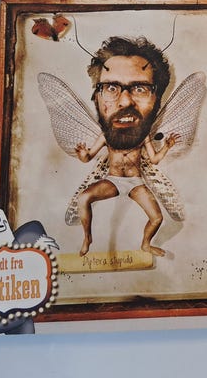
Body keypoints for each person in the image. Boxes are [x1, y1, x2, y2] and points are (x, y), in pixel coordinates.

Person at [75, 36, 178, 257]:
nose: (125, 102)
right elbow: (88, 157)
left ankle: (146, 244)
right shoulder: (106, 136)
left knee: (157, 217)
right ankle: (87, 238)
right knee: (83, 198)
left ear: (157, 100)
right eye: (111, 87)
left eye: (140, 88)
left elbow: (154, 159)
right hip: (112, 181)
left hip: (135, 183)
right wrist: (83, 154)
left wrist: (166, 147)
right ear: (96, 97)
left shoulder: (143, 137)